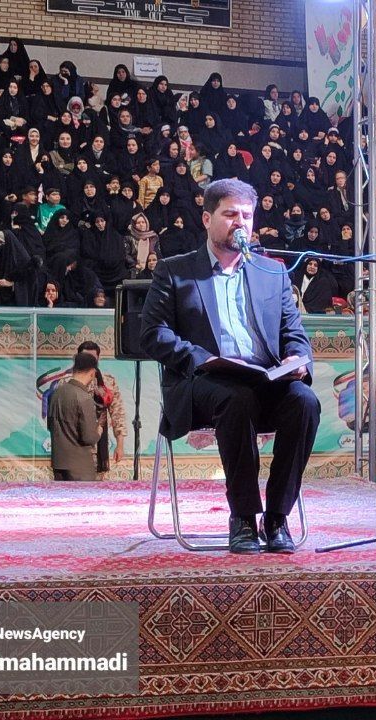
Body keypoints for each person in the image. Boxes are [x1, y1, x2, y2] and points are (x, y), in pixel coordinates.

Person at [141, 178, 320, 554]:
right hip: (205, 381)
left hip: (264, 379)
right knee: (235, 399)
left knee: (305, 402)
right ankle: (243, 517)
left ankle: (277, 517)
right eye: (230, 214)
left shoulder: (272, 272)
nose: (241, 222)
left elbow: (294, 334)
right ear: (207, 219)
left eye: (247, 216)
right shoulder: (175, 271)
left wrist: (297, 358)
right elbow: (153, 334)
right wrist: (201, 357)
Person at [47, 351, 102, 482]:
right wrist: (99, 431)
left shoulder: (55, 394)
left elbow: (50, 426)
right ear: (92, 372)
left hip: (59, 464)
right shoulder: (84, 398)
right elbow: (88, 438)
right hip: (80, 466)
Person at [76, 341, 127, 476]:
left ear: (98, 358)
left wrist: (120, 444)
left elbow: (117, 413)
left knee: (98, 484)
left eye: (92, 358)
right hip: (75, 445)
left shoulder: (107, 382)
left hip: (99, 446)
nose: (89, 361)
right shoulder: (67, 382)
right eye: (85, 357)